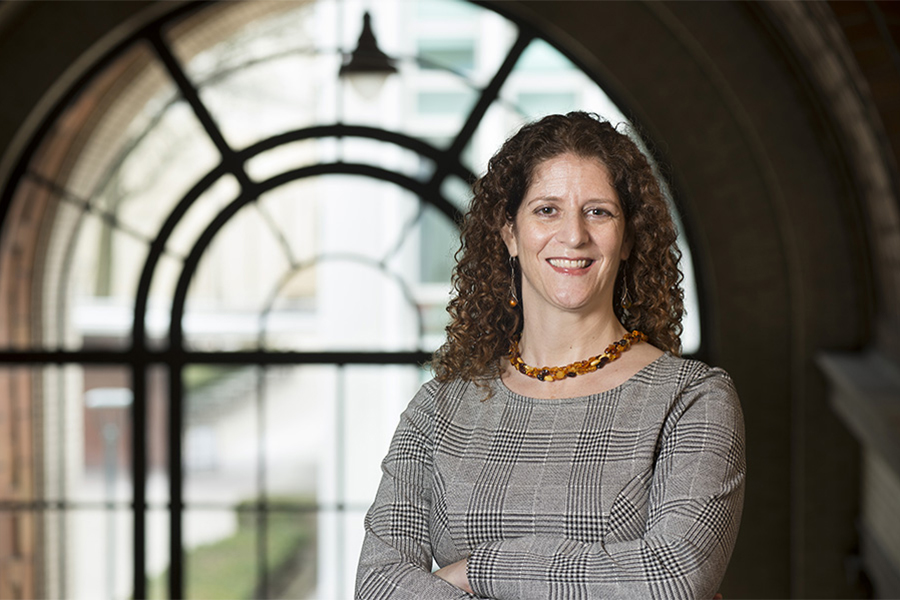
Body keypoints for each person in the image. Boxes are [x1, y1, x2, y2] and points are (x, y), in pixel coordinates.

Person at [355, 112, 745, 600]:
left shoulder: (691, 400)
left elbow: (670, 577)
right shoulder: (439, 411)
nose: (574, 235)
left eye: (598, 212)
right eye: (546, 210)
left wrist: (477, 571)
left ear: (626, 239)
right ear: (509, 233)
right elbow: (379, 586)